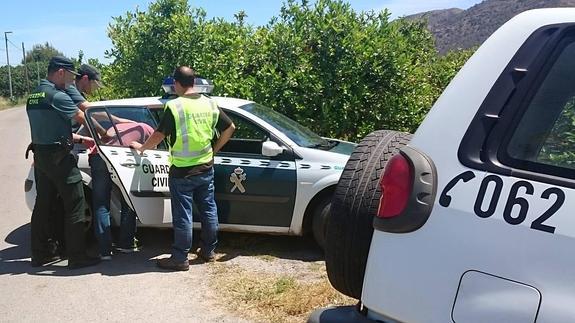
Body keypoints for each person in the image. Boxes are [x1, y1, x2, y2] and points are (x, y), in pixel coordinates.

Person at [130, 66, 235, 271]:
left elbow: (159, 135)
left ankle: (180, 258)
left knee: (183, 215)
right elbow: (230, 128)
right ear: (193, 82)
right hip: (206, 166)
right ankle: (208, 251)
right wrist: (214, 149)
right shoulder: (210, 103)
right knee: (208, 209)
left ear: (176, 83)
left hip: (182, 171)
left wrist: (141, 148)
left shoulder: (175, 106)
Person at [26, 56, 100, 269]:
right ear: (60, 72)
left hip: (41, 157)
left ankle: (40, 254)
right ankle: (77, 256)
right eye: (70, 75)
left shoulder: (34, 95)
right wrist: (105, 135)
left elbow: (50, 127)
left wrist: (79, 138)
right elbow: (84, 118)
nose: (71, 80)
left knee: (43, 205)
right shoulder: (57, 96)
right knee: (76, 203)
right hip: (59, 158)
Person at [67, 64, 143, 260]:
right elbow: (87, 114)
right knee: (128, 200)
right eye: (94, 83)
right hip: (97, 153)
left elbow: (91, 117)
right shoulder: (71, 91)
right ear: (85, 79)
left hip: (96, 155)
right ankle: (126, 244)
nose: (94, 88)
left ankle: (104, 251)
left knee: (101, 204)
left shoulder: (72, 93)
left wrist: (113, 120)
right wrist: (114, 122)